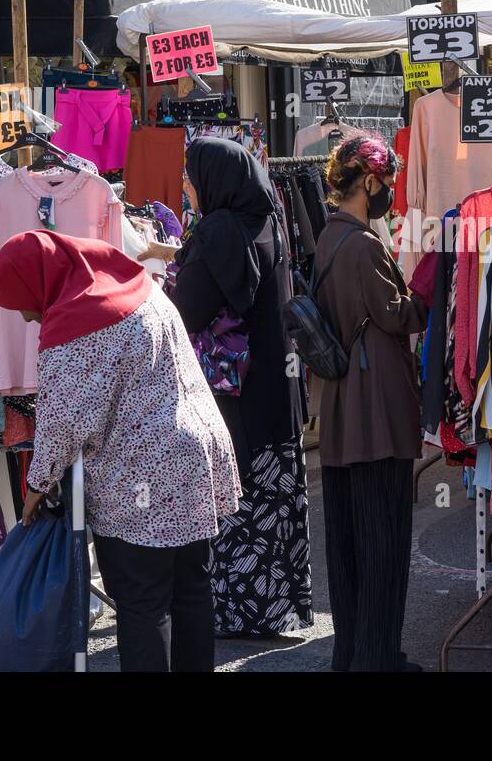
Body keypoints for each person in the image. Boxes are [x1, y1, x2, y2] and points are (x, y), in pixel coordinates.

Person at [0, 230, 240, 672]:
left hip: (140, 476)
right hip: (195, 458)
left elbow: (65, 423)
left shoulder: (76, 324)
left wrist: (36, 485)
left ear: (38, 282)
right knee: (192, 590)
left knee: (143, 603)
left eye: (23, 303)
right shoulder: (138, 286)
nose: (29, 317)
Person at [169, 136, 312, 637]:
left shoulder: (219, 232)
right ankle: (271, 609)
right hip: (278, 392)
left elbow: (186, 309)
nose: (185, 185)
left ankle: (241, 610)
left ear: (214, 180)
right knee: (272, 500)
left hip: (238, 399)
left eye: (190, 175)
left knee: (240, 501)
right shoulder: (267, 222)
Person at [314, 133, 429, 671]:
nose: (389, 194)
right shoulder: (362, 244)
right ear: (370, 181)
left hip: (342, 414)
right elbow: (397, 315)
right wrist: (425, 288)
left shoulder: (328, 238)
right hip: (375, 413)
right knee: (383, 542)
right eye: (386, 183)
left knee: (349, 546)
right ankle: (379, 657)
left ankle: (354, 653)